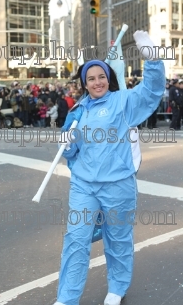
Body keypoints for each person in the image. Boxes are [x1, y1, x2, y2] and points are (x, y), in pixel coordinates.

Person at [53, 31, 165, 305]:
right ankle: (66, 298)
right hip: (84, 185)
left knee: (118, 239)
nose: (97, 82)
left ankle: (117, 287)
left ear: (108, 78)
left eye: (101, 76)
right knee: (76, 240)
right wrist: (67, 143)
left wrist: (152, 59)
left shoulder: (123, 101)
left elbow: (151, 92)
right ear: (84, 84)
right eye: (91, 78)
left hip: (118, 184)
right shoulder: (77, 111)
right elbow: (71, 152)